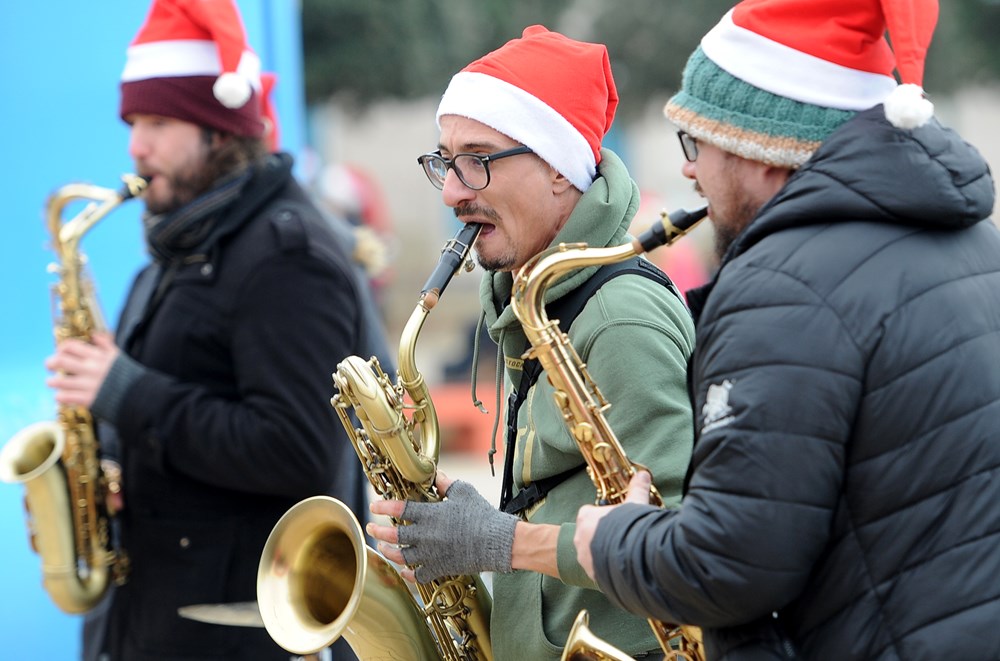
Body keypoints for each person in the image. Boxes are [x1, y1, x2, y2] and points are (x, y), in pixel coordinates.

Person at [573, 0, 1000, 658]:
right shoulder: (977, 243)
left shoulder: (781, 287)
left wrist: (613, 538)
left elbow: (730, 564)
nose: (688, 170)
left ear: (764, 149)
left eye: (698, 141)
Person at [44, 1, 379, 659]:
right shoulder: (178, 251)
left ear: (221, 131)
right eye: (133, 122)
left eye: (159, 122)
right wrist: (104, 472)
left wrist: (128, 394)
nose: (136, 146)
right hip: (158, 621)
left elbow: (300, 452)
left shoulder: (287, 258)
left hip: (240, 633)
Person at [366, 26, 696, 660]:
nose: (452, 191)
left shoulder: (619, 318)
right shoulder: (531, 299)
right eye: (444, 159)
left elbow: (681, 542)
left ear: (555, 169)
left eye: (478, 159)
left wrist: (496, 541)